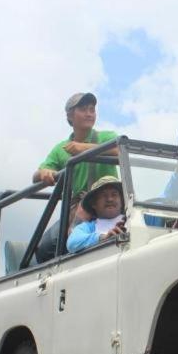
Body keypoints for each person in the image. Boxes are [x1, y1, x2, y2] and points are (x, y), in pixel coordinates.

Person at [32, 92, 118, 262]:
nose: (89, 113)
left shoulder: (106, 137)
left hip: (110, 204)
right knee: (45, 249)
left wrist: (83, 148)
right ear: (70, 115)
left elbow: (121, 150)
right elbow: (36, 175)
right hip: (79, 207)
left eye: (92, 110)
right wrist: (44, 173)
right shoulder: (61, 149)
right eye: (83, 109)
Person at [67, 176, 126, 253]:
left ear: (122, 200)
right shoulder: (89, 227)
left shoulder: (133, 219)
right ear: (94, 204)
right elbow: (72, 243)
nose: (110, 199)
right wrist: (102, 238)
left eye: (114, 195)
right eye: (104, 195)